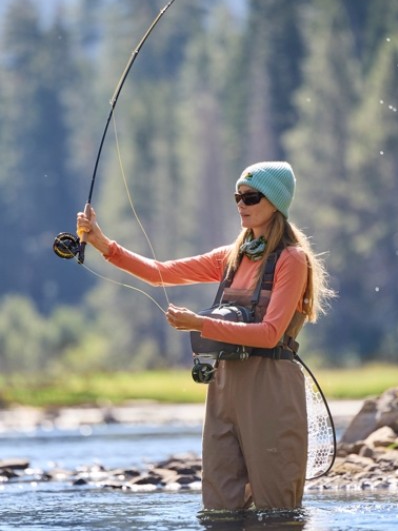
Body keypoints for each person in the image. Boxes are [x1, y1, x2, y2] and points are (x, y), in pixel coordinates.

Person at [76, 160, 334, 512]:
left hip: (270, 385)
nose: (242, 205)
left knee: (277, 510)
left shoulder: (292, 259)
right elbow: (159, 273)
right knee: (220, 507)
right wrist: (103, 243)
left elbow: (271, 334)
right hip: (224, 385)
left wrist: (200, 324)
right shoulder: (231, 257)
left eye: (251, 198)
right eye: (237, 197)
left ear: (276, 203)